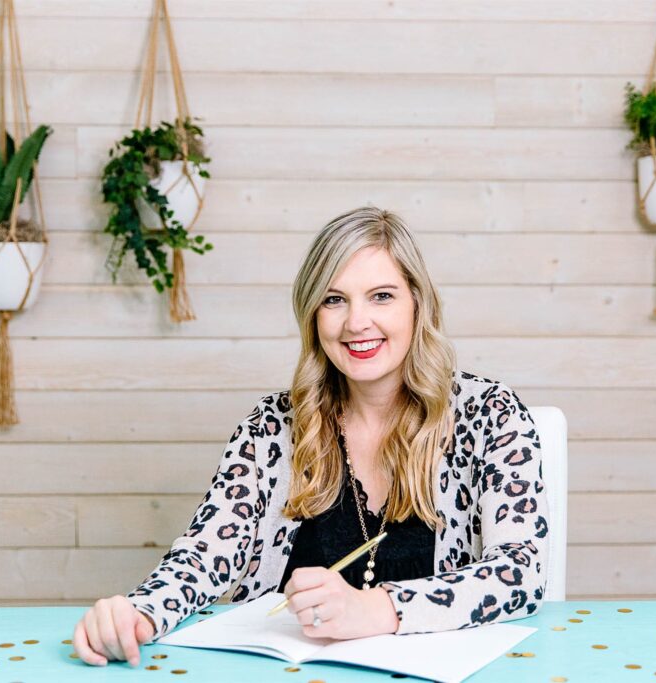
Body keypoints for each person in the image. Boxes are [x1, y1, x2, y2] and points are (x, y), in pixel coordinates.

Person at [73, 206, 550, 667]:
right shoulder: (271, 426)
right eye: (334, 299)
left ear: (417, 304)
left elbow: (521, 572)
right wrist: (139, 612)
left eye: (381, 296)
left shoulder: (491, 415)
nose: (356, 322)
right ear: (312, 314)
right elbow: (204, 556)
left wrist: (377, 609)